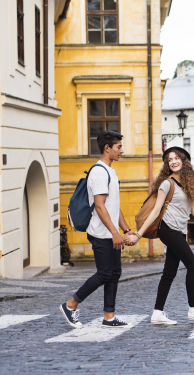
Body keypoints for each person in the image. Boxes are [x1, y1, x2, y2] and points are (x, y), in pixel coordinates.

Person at [125, 146, 194, 325]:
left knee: (169, 273)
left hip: (180, 231)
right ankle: (193, 309)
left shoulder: (188, 183)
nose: (173, 162)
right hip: (168, 229)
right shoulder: (167, 183)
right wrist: (138, 234)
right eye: (170, 160)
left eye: (176, 158)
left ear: (184, 161)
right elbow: (155, 211)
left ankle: (157, 313)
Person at [60, 131, 135, 329]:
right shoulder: (100, 172)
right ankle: (70, 305)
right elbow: (100, 206)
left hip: (110, 233)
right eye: (118, 147)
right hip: (102, 234)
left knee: (114, 273)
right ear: (106, 148)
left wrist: (125, 229)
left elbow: (113, 206)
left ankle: (109, 317)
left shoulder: (111, 171)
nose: (122, 150)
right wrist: (115, 233)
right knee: (104, 273)